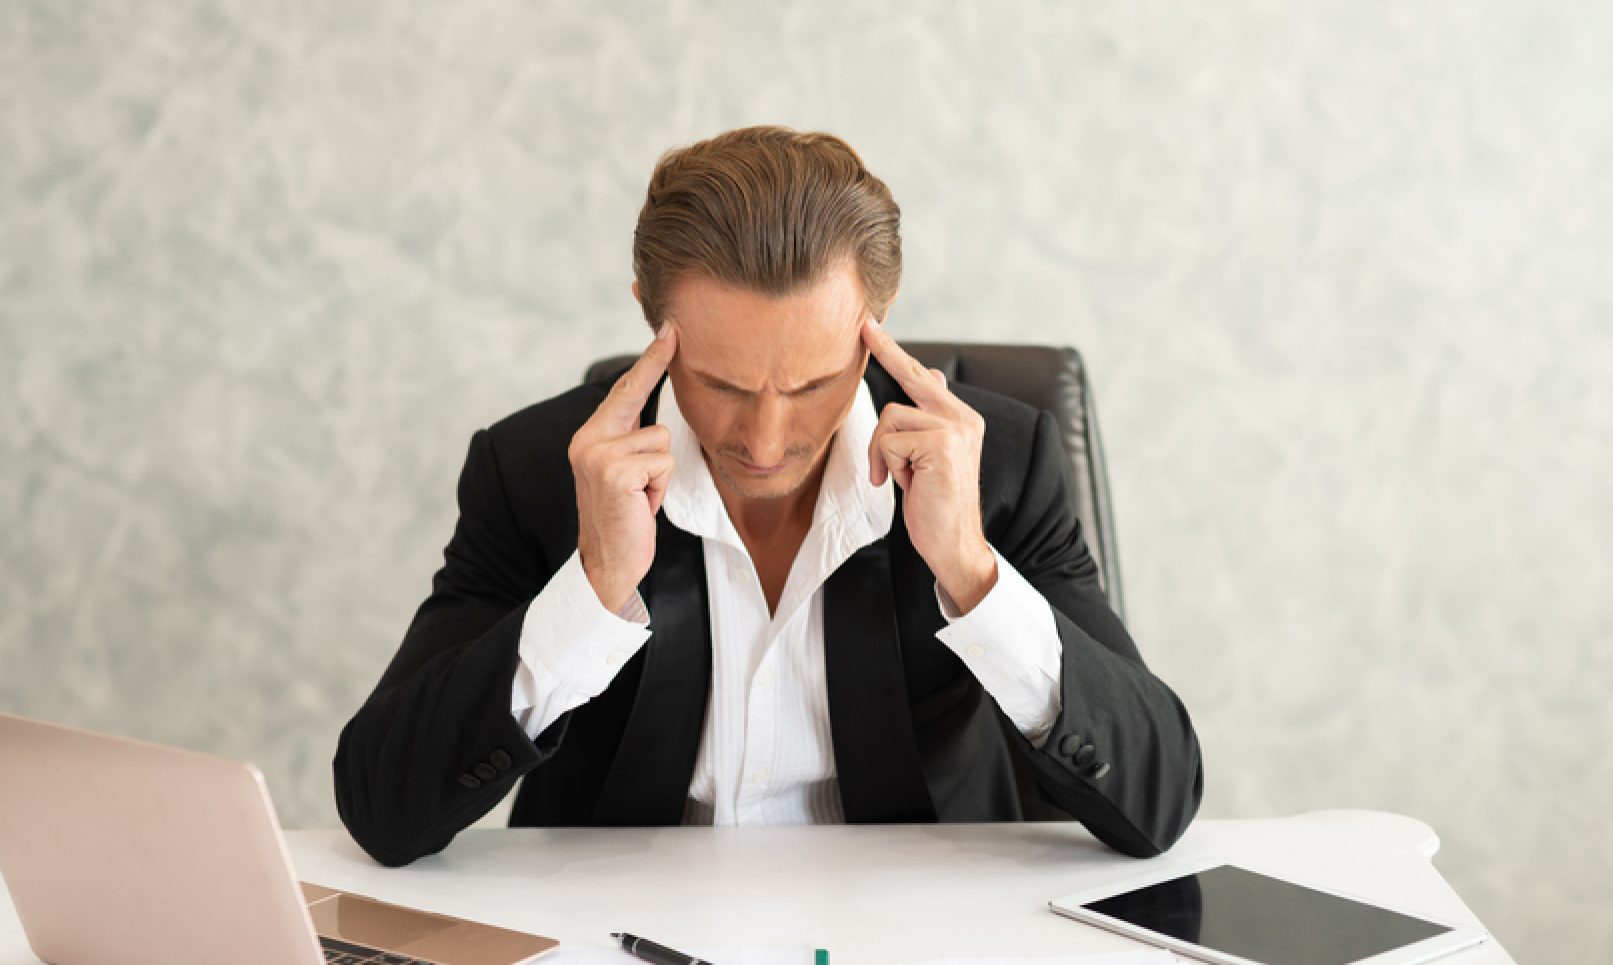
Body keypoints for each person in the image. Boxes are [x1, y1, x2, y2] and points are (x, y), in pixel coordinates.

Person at [334, 126, 1202, 865]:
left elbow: (1159, 797)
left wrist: (972, 571)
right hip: (619, 933)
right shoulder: (533, 470)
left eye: (814, 384)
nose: (764, 438)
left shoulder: (1001, 463)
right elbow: (383, 806)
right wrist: (593, 589)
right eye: (721, 384)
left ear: (880, 317)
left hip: (912, 935)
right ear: (649, 315)